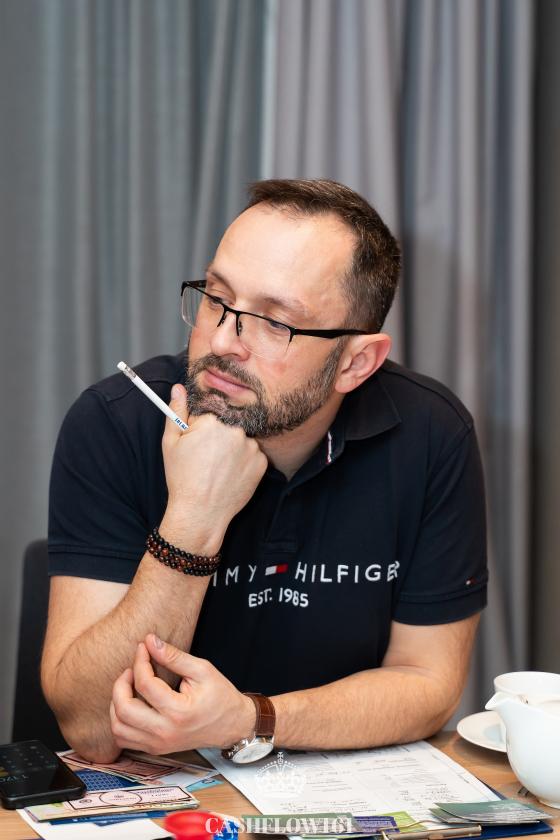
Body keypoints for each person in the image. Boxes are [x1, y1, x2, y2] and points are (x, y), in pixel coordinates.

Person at [41, 179, 487, 765]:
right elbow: (94, 727)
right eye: (216, 298)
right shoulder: (114, 422)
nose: (223, 341)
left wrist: (252, 719)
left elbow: (427, 684)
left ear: (355, 362)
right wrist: (194, 519)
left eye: (277, 323)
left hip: (335, 784)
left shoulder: (431, 434)